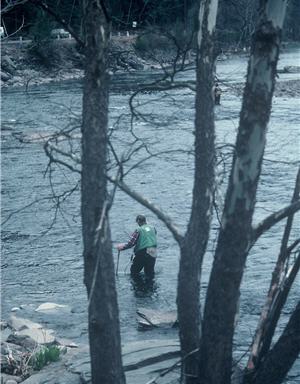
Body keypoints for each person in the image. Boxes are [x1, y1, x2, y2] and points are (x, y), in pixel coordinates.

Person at [116, 215, 157, 279]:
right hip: (153, 251)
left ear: (138, 221)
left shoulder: (139, 230)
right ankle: (150, 287)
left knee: (134, 271)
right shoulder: (153, 228)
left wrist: (122, 247)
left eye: (137, 222)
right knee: (150, 272)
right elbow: (149, 237)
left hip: (143, 252)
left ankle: (137, 287)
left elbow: (131, 243)